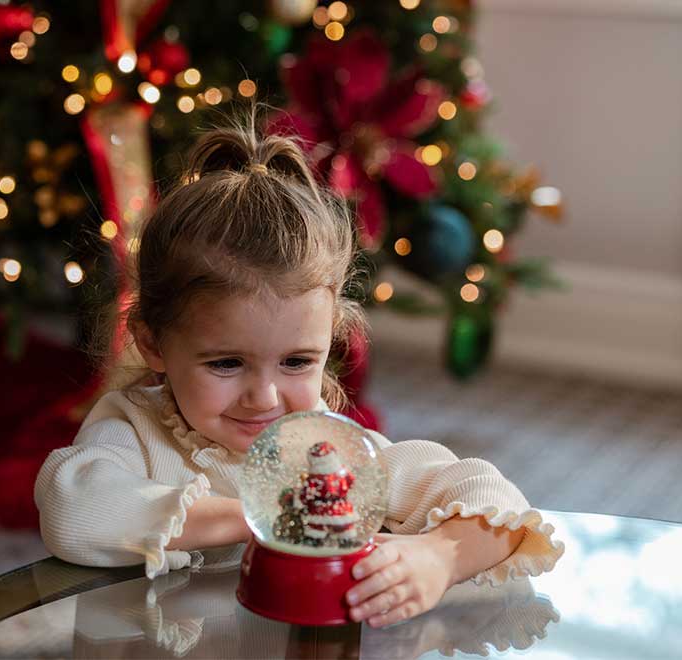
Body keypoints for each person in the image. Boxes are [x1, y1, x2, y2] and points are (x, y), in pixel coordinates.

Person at [34, 114, 563, 629]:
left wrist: (439, 556)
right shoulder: (133, 430)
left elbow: (494, 500)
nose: (264, 397)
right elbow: (73, 508)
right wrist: (268, 515)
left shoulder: (331, 453)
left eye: (296, 362)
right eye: (225, 363)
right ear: (152, 343)